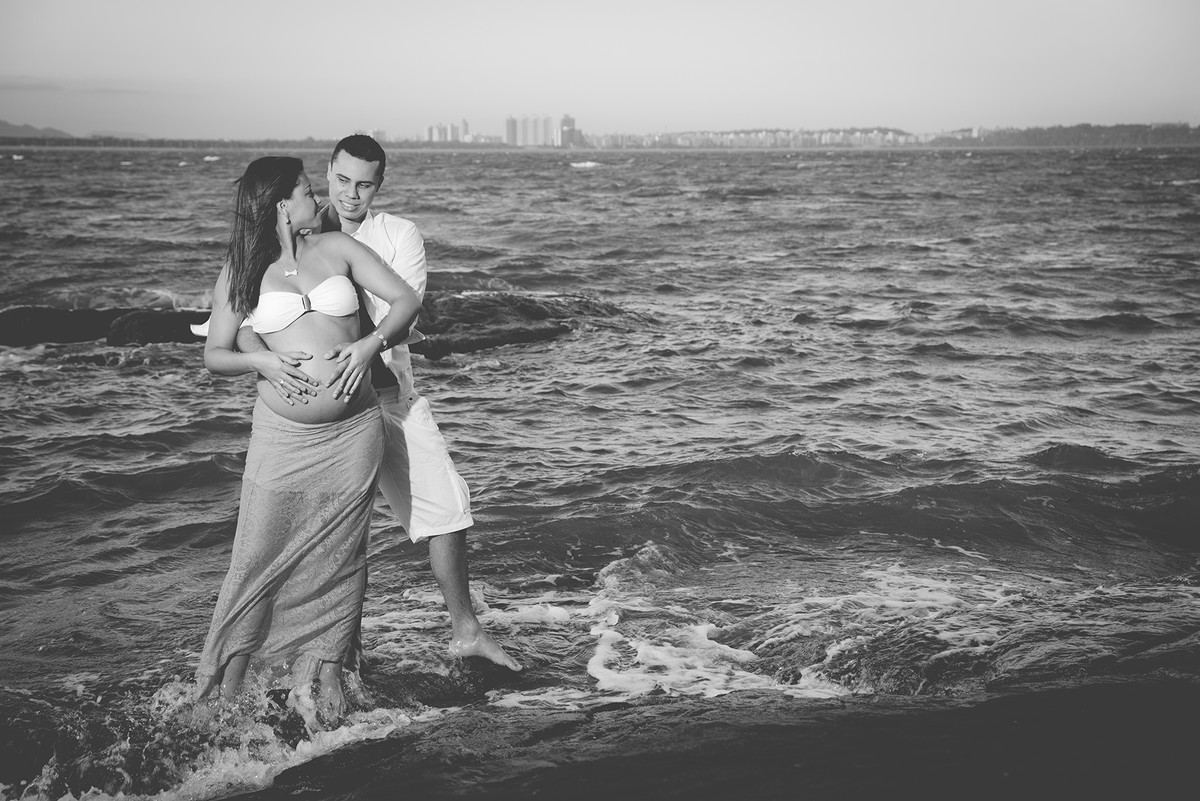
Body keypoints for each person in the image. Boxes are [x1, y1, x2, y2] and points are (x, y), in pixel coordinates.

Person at [237, 135, 521, 672]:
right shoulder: (289, 233)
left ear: (379, 186)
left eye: (364, 184)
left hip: (390, 396)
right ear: (326, 174)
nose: (350, 194)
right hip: (322, 418)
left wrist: (363, 335)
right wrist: (267, 362)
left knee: (447, 508)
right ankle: (339, 657)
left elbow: (402, 311)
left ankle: (466, 630)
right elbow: (245, 323)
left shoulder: (397, 235)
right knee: (335, 538)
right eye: (342, 180)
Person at [197, 156, 423, 727]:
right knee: (258, 557)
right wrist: (263, 361)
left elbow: (405, 301)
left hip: (353, 432)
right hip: (283, 438)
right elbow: (214, 354)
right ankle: (225, 689)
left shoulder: (336, 250)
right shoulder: (241, 271)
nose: (316, 198)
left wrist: (369, 348)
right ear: (280, 204)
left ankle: (323, 683)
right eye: (304, 190)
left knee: (341, 558)